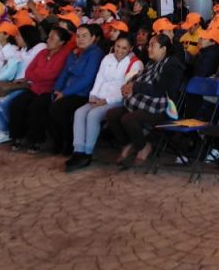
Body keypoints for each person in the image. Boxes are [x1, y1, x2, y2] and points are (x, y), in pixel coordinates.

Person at [109, 34, 185, 169]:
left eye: (152, 46)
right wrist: (129, 86)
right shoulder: (152, 63)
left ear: (163, 49)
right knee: (112, 115)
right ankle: (128, 143)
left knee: (128, 119)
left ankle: (143, 147)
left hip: (163, 108)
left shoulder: (172, 65)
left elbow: (159, 90)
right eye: (148, 45)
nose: (148, 49)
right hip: (144, 103)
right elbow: (140, 80)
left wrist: (135, 86)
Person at [65, 35, 137, 172]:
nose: (119, 50)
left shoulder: (134, 64)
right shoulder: (107, 58)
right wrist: (93, 95)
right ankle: (78, 151)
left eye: (124, 48)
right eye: (117, 46)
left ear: (130, 49)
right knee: (79, 113)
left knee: (93, 115)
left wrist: (106, 101)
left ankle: (88, 153)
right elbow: (100, 78)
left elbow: (127, 90)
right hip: (99, 97)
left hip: (117, 101)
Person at [9, 27, 72, 151]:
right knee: (17, 104)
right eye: (48, 37)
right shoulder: (43, 52)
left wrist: (37, 74)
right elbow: (28, 71)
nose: (48, 40)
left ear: (61, 42)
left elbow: (52, 74)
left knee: (37, 108)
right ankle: (17, 137)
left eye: (52, 38)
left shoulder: (65, 54)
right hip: (35, 87)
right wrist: (39, 74)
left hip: (50, 90)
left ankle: (36, 141)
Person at [48, 24, 104, 155]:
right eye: (78, 36)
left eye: (85, 36)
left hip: (83, 94)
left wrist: (64, 93)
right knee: (47, 103)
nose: (80, 39)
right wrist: (56, 89)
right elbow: (64, 73)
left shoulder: (96, 54)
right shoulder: (74, 53)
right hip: (66, 91)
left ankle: (68, 143)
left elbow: (87, 79)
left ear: (93, 38)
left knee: (58, 108)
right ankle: (58, 141)